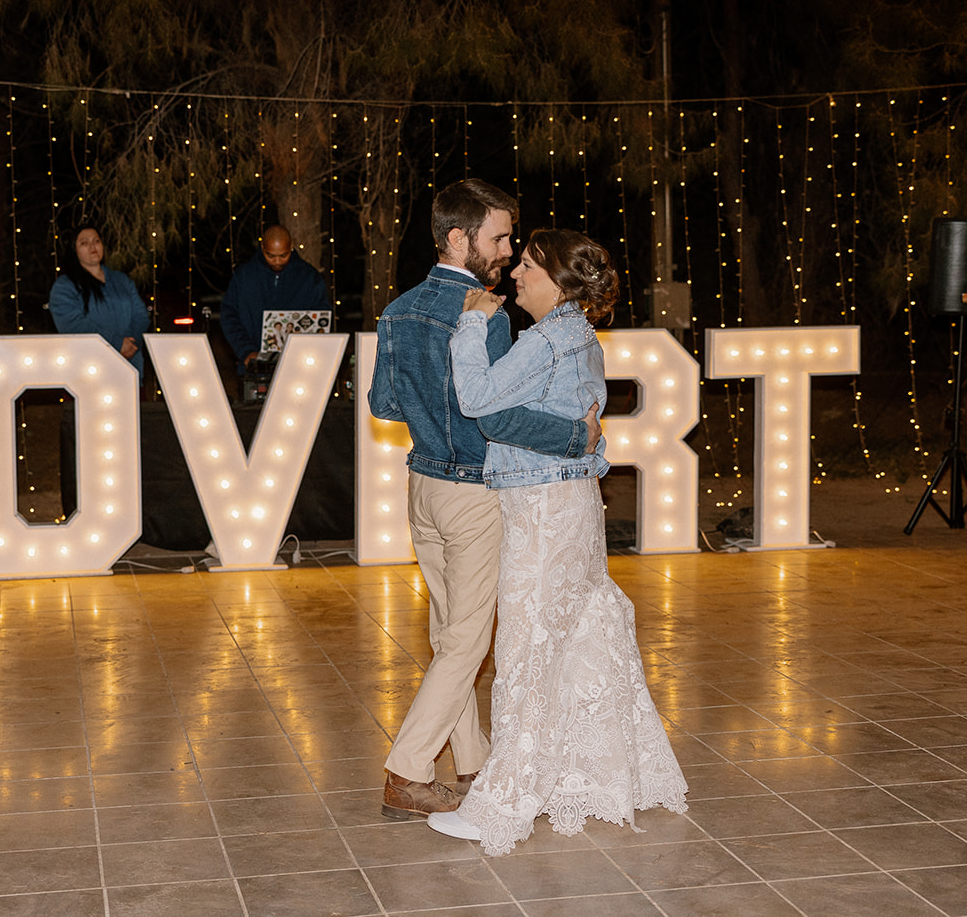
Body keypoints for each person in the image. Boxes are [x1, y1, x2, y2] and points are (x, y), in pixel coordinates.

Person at [428, 228, 689, 855]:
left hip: (544, 512)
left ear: (560, 281)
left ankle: (507, 802)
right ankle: (586, 775)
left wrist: (469, 325)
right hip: (565, 505)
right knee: (572, 636)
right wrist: (582, 440)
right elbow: (577, 423)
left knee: (529, 647)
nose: (516, 272)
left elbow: (476, 399)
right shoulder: (576, 335)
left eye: (528, 264)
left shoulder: (550, 338)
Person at [368, 180, 601, 822]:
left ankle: (473, 760)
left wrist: (426, 411)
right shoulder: (488, 316)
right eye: (498, 238)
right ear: (457, 238)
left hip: (423, 487)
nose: (505, 252)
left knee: (451, 632)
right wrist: (576, 435)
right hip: (475, 494)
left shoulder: (398, 311)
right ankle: (408, 769)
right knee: (467, 641)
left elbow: (383, 405)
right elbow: (499, 418)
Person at [221, 225, 329, 374]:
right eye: (270, 256)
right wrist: (246, 351)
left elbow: (321, 315)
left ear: (291, 247)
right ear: (262, 247)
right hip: (254, 367)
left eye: (283, 255)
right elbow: (229, 317)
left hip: (299, 366)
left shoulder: (309, 276)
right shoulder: (244, 276)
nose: (277, 261)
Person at [48, 225, 150, 373]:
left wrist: (130, 345)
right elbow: (73, 325)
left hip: (129, 366)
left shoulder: (121, 280)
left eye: (96, 241)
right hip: (88, 369)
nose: (92, 246)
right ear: (74, 250)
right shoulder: (65, 286)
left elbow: (141, 315)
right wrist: (116, 343)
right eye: (84, 243)